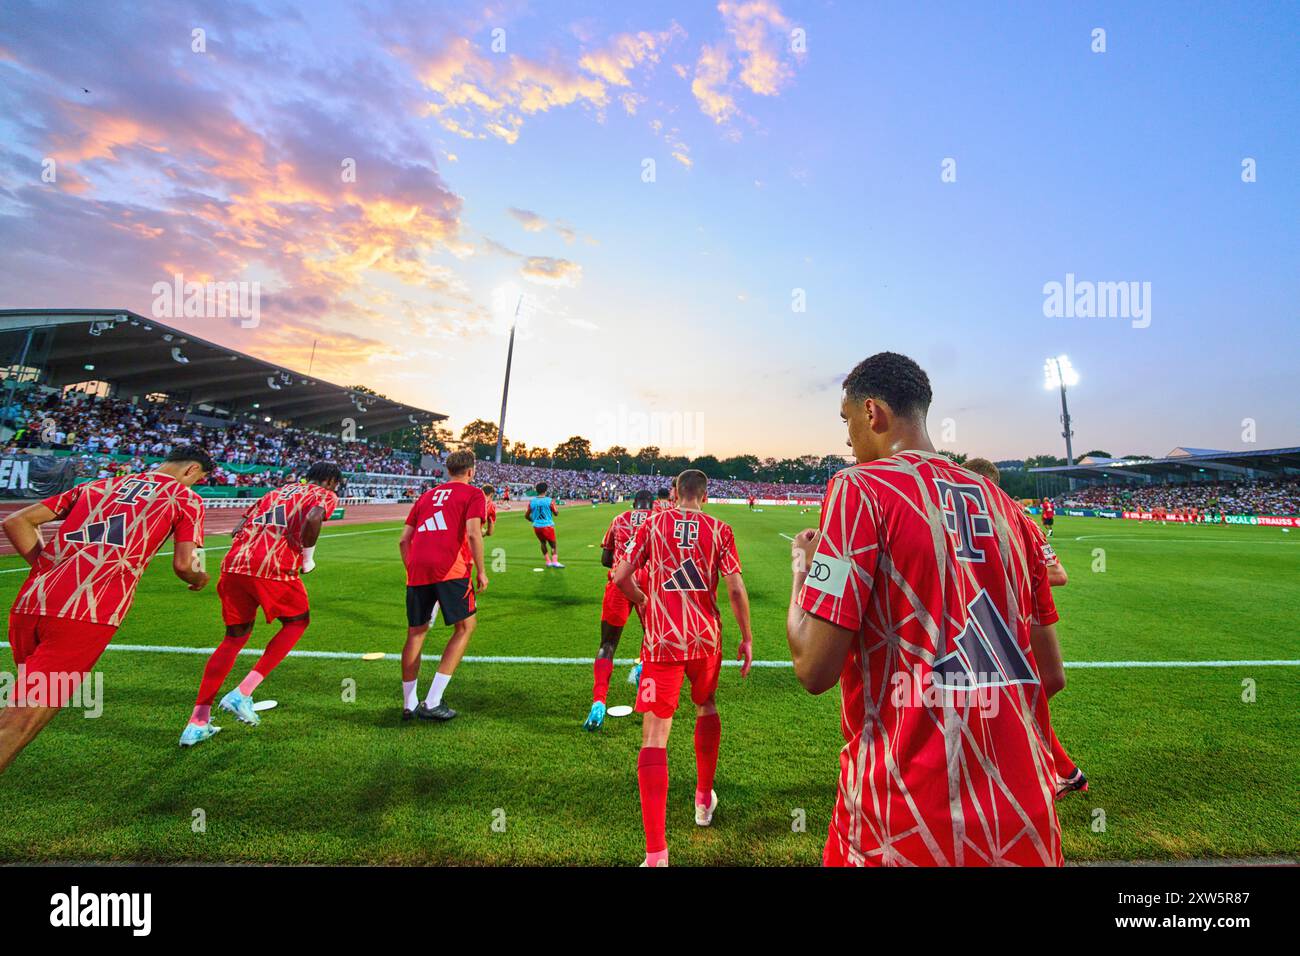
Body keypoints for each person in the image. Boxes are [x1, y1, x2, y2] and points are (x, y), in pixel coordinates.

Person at [786, 352, 1063, 866]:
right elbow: (1050, 676)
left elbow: (812, 666)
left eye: (847, 422)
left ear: (872, 413)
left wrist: (802, 570)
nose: (848, 442)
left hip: (905, 819)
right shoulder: (1009, 509)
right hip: (1024, 818)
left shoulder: (857, 489)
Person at [0, 446, 213, 774]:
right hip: (87, 612)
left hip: (32, 603)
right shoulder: (185, 498)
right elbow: (185, 564)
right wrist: (200, 578)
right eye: (199, 479)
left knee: (25, 704)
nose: (196, 485)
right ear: (191, 470)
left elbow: (17, 521)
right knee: (19, 721)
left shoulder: (100, 485)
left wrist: (49, 568)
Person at [613, 469, 754, 867]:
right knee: (706, 706)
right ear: (705, 497)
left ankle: (656, 854)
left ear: (675, 493)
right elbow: (736, 587)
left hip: (662, 642)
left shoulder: (653, 523)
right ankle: (703, 800)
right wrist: (746, 638)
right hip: (705, 640)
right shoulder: (720, 529)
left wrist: (641, 597)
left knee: (655, 738)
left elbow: (619, 574)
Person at [179, 462, 343, 746]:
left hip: (233, 564)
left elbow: (238, 528)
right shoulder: (324, 493)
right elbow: (314, 518)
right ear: (330, 481)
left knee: (234, 638)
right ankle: (243, 693)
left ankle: (198, 721)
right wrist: (307, 559)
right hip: (272, 567)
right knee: (297, 623)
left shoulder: (274, 493)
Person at [963, 458, 1086, 797]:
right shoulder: (962, 523)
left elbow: (1059, 574)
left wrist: (1011, 573)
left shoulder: (1020, 523)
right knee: (1001, 700)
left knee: (1015, 698)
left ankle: (1056, 770)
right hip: (983, 623)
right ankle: (1064, 771)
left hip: (1019, 624)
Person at [399, 450, 488, 722]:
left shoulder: (426, 496)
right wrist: (482, 571)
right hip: (451, 568)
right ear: (471, 471)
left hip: (418, 568)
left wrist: (413, 569)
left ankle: (409, 703)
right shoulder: (474, 494)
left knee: (416, 632)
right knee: (465, 627)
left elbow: (404, 540)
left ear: (447, 470)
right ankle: (433, 700)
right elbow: (474, 533)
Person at [584, 489, 654, 731]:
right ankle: (646, 691)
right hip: (650, 585)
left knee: (608, 645)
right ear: (651, 504)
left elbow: (605, 558)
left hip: (619, 581)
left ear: (634, 504)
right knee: (652, 640)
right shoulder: (659, 519)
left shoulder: (619, 519)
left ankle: (599, 702)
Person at [526, 481, 563, 568]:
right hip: (547, 526)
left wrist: (534, 521)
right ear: (546, 490)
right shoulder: (549, 501)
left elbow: (526, 516)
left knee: (542, 543)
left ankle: (548, 561)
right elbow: (556, 513)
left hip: (537, 526)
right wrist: (557, 511)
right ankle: (555, 562)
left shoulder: (532, 502)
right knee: (553, 545)